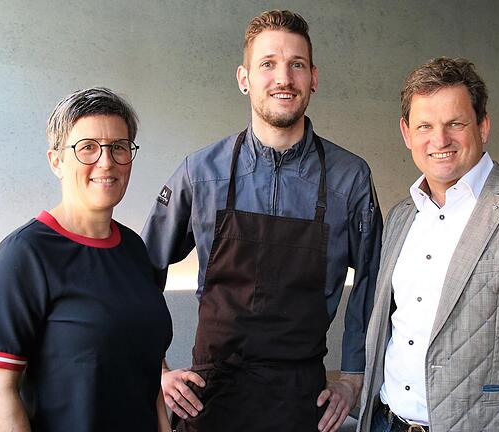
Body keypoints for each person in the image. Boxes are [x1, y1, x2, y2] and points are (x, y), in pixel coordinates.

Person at [142, 10, 382, 432]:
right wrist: (156, 367)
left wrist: (353, 377)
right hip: (210, 397)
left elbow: (373, 284)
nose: (283, 78)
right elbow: (140, 273)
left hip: (301, 399)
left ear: (314, 78)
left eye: (297, 65)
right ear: (244, 78)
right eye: (267, 63)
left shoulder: (350, 179)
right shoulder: (200, 173)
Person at [356, 57, 499, 432]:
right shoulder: (401, 215)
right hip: (388, 422)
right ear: (406, 133)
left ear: (483, 125)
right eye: (425, 126)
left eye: (455, 124)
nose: (439, 140)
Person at [0, 87, 173, 432]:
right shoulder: (24, 255)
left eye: (119, 147)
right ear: (56, 161)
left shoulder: (134, 250)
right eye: (88, 148)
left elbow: (149, 370)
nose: (106, 161)